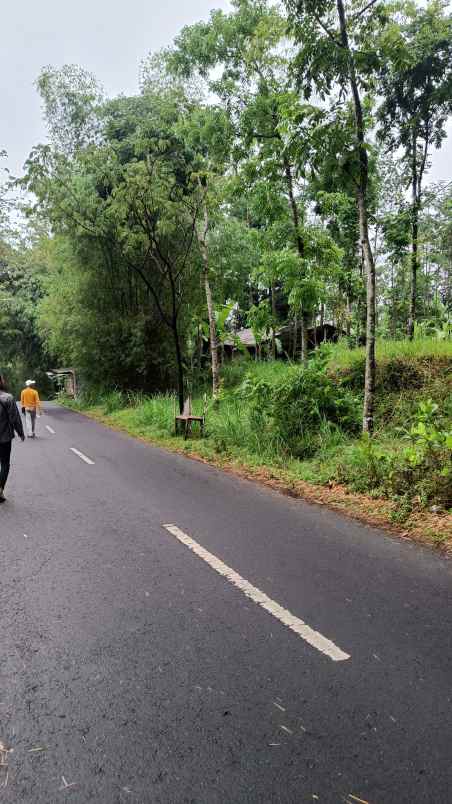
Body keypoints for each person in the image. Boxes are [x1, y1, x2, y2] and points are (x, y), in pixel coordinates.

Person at [0, 374, 25, 503]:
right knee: (4, 463)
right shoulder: (8, 398)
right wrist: (21, 433)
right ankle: (0, 490)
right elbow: (14, 419)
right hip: (4, 438)